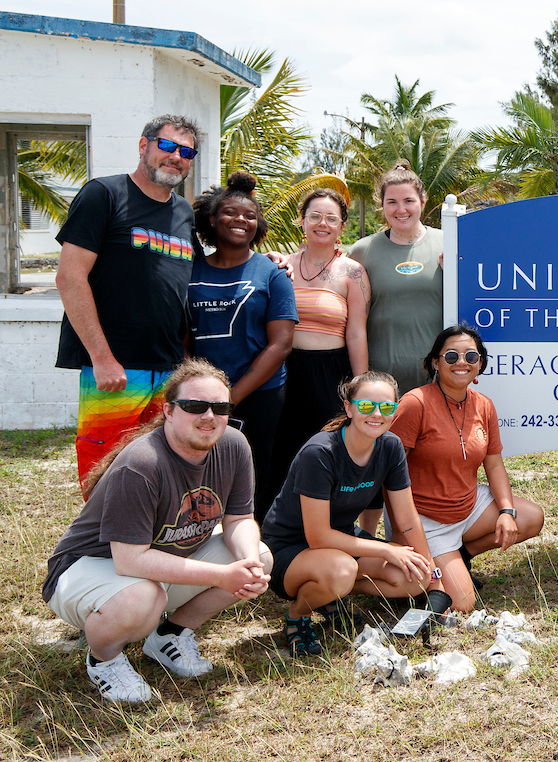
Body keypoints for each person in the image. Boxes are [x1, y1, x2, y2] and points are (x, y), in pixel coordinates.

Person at [41, 359, 272, 703]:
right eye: (195, 406)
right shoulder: (142, 464)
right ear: (169, 411)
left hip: (158, 561)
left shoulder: (234, 445)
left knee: (261, 557)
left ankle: (169, 636)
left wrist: (248, 564)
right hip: (89, 567)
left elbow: (239, 519)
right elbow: (130, 560)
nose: (209, 416)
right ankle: (104, 660)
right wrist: (224, 576)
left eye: (220, 407)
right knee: (143, 597)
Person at [55, 115, 202, 487]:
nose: (175, 157)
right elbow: (70, 278)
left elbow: (202, 273)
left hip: (168, 368)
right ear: (144, 146)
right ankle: (98, 545)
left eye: (186, 151)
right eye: (166, 146)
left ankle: (145, 543)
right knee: (104, 466)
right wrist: (102, 359)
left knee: (160, 468)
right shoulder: (103, 194)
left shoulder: (184, 213)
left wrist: (271, 261)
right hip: (116, 368)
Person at [260, 371, 436, 657]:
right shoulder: (320, 453)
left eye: (387, 407)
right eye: (367, 406)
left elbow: (407, 518)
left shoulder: (390, 446)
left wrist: (430, 568)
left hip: (339, 543)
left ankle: (329, 594)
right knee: (343, 570)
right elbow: (317, 537)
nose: (377, 414)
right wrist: (388, 551)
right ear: (348, 407)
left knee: (414, 578)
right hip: (289, 549)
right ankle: (298, 615)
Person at [391, 325, 545, 613]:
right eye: (451, 356)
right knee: (463, 603)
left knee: (531, 518)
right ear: (435, 363)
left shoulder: (484, 405)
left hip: (468, 506)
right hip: (426, 518)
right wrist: (405, 531)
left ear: (480, 365)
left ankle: (460, 554)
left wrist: (506, 512)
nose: (461, 363)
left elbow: (494, 464)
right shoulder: (415, 404)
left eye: (470, 357)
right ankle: (434, 565)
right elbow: (391, 475)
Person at [188, 172, 297, 521]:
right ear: (212, 220)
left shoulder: (272, 272)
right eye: (231, 213)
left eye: (250, 216)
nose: (241, 220)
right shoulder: (191, 272)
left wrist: (230, 398)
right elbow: (184, 336)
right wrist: (196, 389)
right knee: (198, 469)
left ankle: (255, 551)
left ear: (258, 226)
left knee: (255, 473)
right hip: (201, 394)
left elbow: (280, 344)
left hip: (260, 393)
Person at [267, 189, 371, 514]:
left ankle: (327, 527)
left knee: (325, 453)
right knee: (279, 451)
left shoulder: (352, 272)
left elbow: (356, 333)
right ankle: (273, 530)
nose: (322, 223)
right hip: (282, 371)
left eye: (331, 218)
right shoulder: (279, 266)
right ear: (302, 221)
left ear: (341, 227)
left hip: (330, 373)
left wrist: (361, 385)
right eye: (314, 216)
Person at [347, 163, 443, 399]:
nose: (401, 209)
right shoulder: (362, 251)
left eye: (408, 201)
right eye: (392, 202)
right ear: (382, 205)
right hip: (381, 385)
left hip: (439, 381)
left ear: (423, 200)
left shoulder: (450, 244)